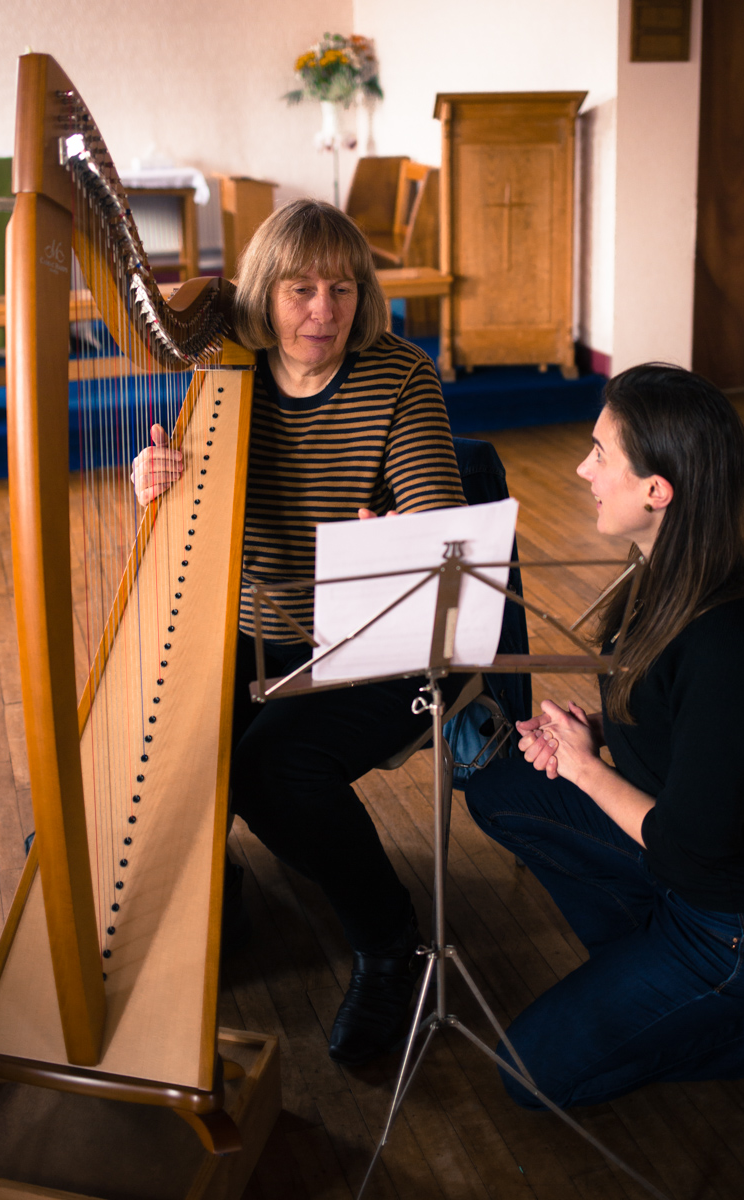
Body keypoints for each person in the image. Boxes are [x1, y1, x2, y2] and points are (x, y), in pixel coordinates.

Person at [131, 199, 466, 1065]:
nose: (325, 310)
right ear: (262, 295)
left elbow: (442, 526)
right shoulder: (227, 373)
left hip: (374, 639)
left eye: (343, 288)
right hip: (246, 636)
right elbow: (194, 507)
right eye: (301, 289)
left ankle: (390, 942)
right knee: (157, 761)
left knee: (274, 769)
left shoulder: (399, 376)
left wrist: (388, 539)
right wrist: (153, 480)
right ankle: (226, 889)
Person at [464, 363, 744, 1109]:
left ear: (657, 492)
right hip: (676, 858)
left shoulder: (728, 639)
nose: (582, 468)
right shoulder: (662, 570)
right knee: (499, 788)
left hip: (731, 925)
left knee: (526, 1076)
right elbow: (671, 713)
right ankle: (647, 968)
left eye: (602, 454)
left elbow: (693, 845)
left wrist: (583, 766)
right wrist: (589, 729)